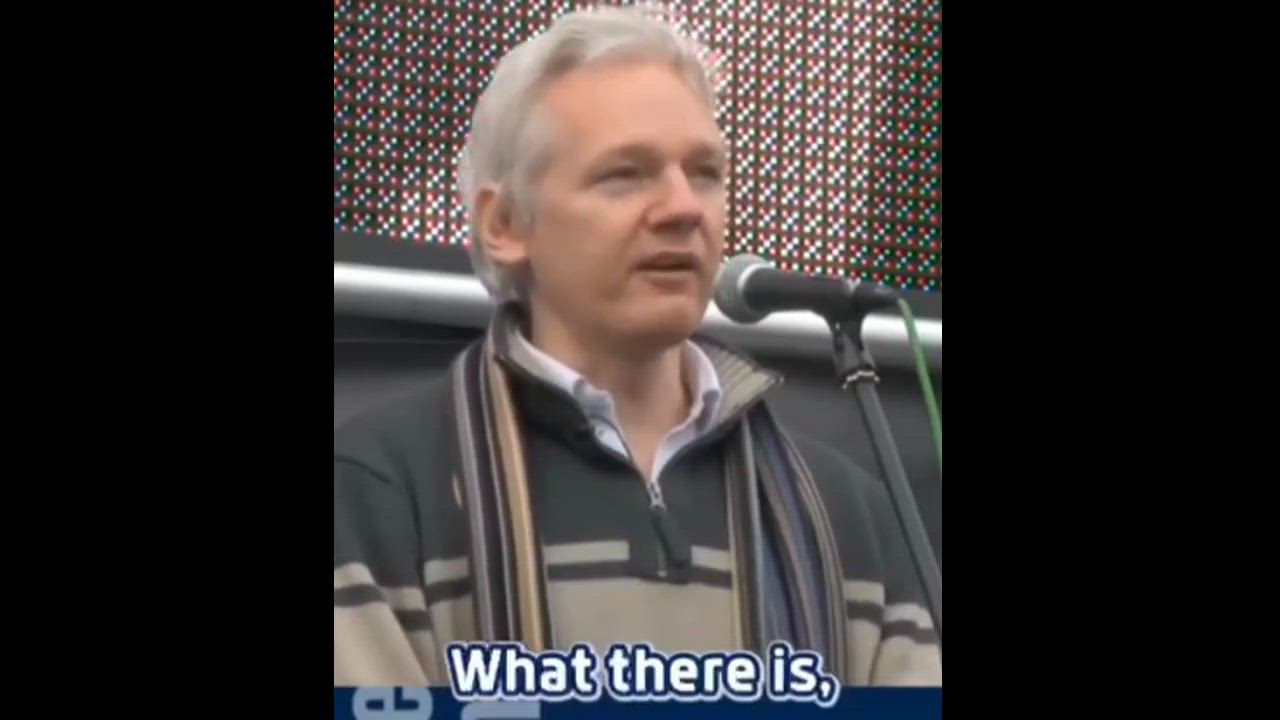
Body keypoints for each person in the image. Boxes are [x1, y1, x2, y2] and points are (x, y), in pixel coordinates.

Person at [334, 6, 940, 687]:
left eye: (704, 173)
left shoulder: (848, 516)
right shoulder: (378, 494)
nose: (684, 208)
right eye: (625, 174)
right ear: (503, 224)